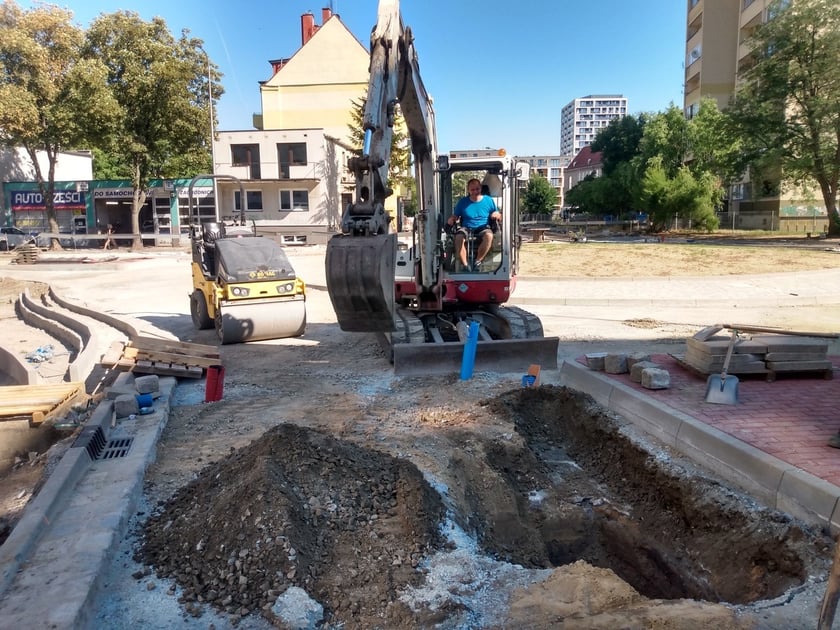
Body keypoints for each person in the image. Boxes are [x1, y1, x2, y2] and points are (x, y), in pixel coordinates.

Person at [446, 178, 501, 272]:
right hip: (466, 227)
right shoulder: (462, 202)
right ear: (468, 190)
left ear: (480, 188)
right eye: (472, 190)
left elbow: (498, 214)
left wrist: (497, 214)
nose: (475, 191)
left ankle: (478, 262)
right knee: (458, 237)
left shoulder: (489, 200)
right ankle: (465, 265)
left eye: (477, 189)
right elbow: (456, 216)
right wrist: (452, 219)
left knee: (489, 235)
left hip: (483, 227)